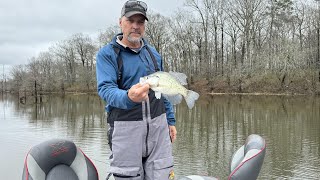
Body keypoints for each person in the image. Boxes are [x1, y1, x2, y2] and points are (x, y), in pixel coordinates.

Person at [96, 0, 177, 179]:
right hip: (126, 133)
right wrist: (128, 97)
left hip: (159, 132)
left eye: (140, 22)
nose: (135, 26)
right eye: (130, 20)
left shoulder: (153, 54)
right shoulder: (107, 54)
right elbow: (106, 89)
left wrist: (170, 121)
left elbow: (163, 91)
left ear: (144, 26)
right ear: (120, 22)